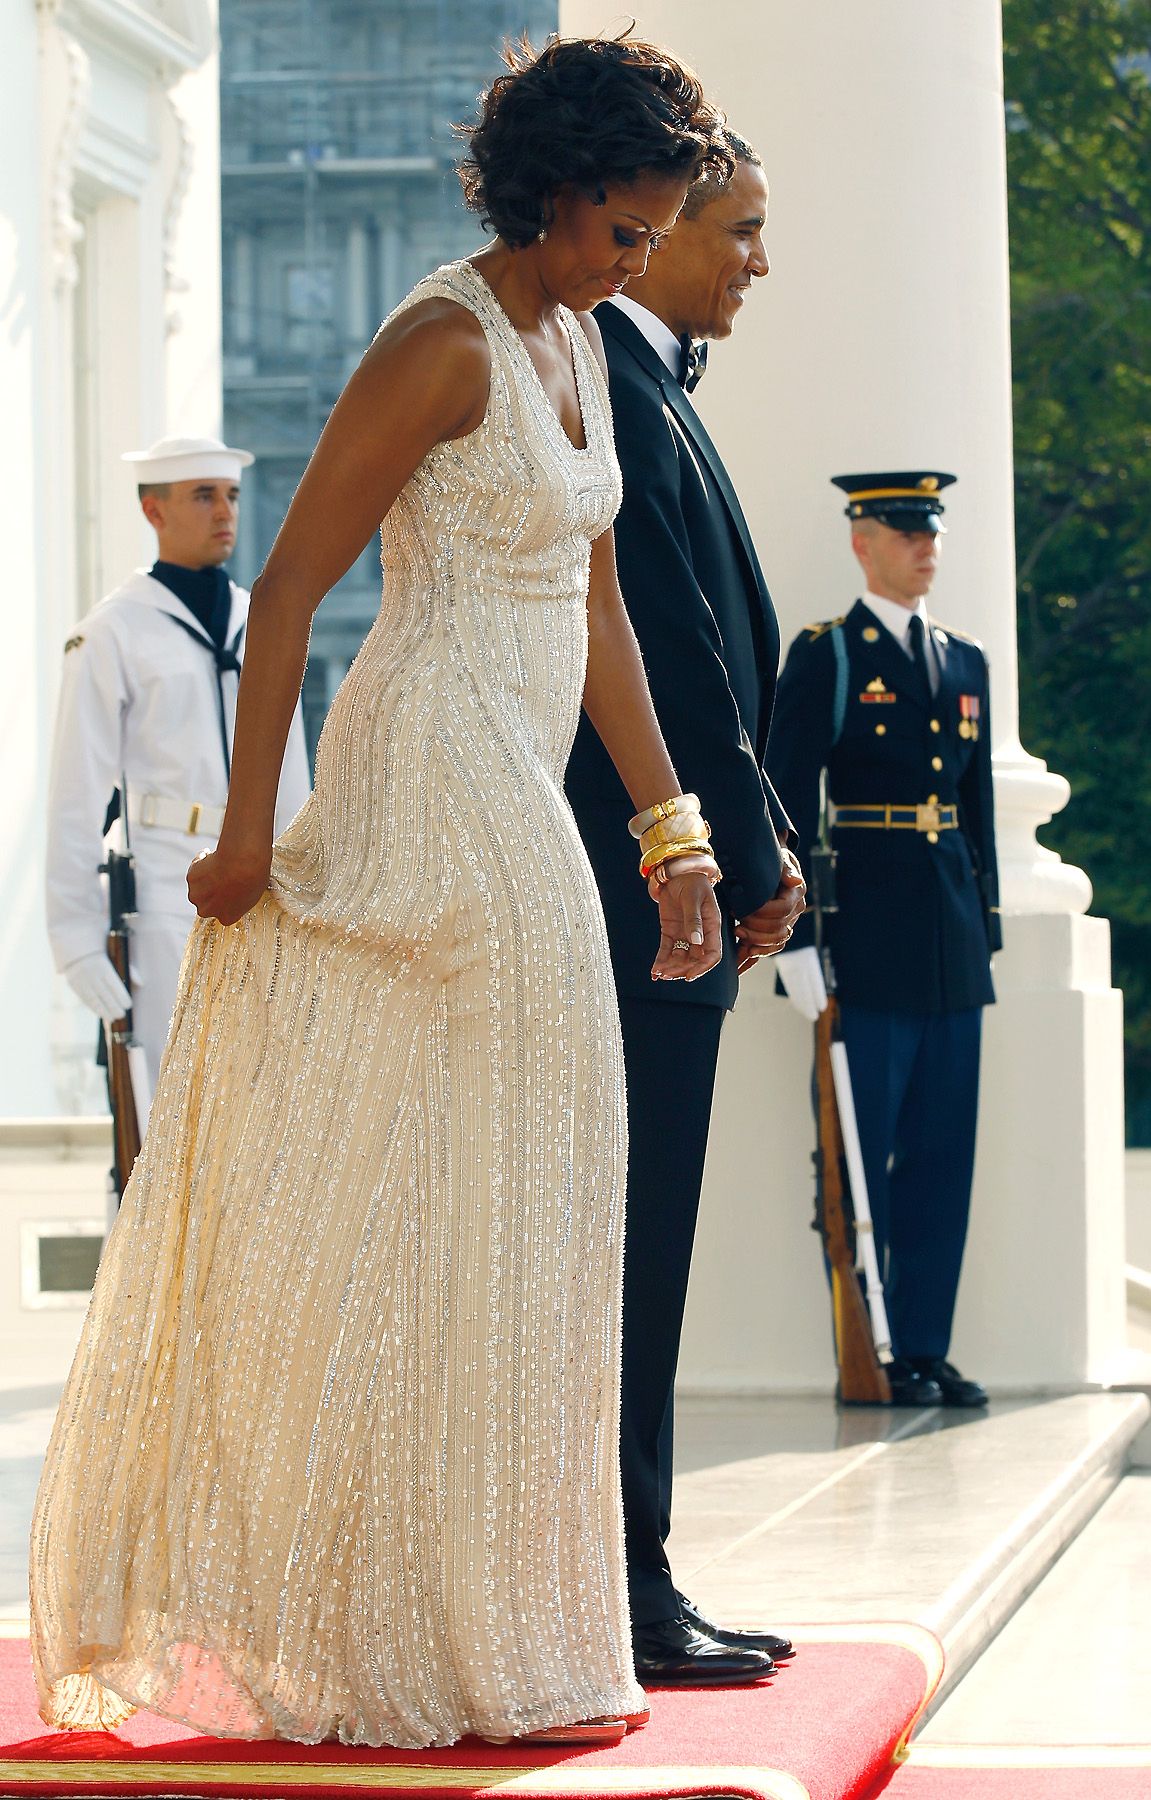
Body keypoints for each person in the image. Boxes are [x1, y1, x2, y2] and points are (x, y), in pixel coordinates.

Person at [30, 37, 734, 1752]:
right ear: (557, 190)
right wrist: (247, 833)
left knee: (520, 1196)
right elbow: (284, 593)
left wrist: (673, 834)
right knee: (500, 1185)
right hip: (432, 767)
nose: (638, 262)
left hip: (527, 781)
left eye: (655, 237)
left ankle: (477, 1615)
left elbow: (599, 612)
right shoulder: (441, 342)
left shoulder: (577, 339)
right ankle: (422, 1623)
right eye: (626, 230)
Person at [565, 131, 805, 1683]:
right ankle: (623, 1583)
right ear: (655, 234)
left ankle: (634, 1567)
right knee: (631, 1245)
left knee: (644, 1245)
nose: (756, 261)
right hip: (641, 882)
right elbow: (667, 643)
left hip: (663, 867)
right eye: (740, 230)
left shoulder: (650, 387)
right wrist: (733, 844)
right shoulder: (610, 380)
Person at [768, 471, 1001, 1409]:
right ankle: (873, 1349)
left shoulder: (964, 661)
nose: (924, 547)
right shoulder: (829, 654)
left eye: (931, 531)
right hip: (863, 943)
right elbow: (785, 794)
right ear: (861, 541)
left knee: (942, 1160)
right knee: (858, 1163)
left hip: (950, 940)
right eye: (905, 531)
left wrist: (985, 928)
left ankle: (926, 1347)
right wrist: (792, 940)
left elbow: (976, 809)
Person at [45, 437, 311, 1093]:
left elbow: (291, 773)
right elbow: (76, 794)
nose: (225, 511)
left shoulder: (263, 619)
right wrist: (76, 941)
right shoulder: (113, 632)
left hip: (264, 883)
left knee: (264, 1099)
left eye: (232, 496)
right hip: (165, 887)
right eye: (203, 496)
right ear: (154, 511)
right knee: (174, 1099)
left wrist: (304, 892)